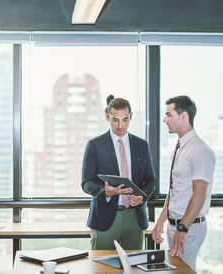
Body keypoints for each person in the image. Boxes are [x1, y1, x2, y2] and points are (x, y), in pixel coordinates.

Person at [82, 95, 156, 250]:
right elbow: (86, 182)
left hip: (135, 218)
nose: (120, 125)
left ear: (131, 117)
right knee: (100, 269)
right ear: (107, 116)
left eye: (125, 119)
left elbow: (151, 181)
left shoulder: (142, 145)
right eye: (115, 119)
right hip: (104, 217)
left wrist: (142, 197)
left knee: (133, 268)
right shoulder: (95, 145)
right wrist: (105, 192)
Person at [152, 95, 215, 270]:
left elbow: (200, 193)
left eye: (168, 115)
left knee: (183, 271)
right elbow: (175, 189)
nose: (165, 120)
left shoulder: (200, 150)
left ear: (183, 116)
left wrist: (183, 229)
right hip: (176, 225)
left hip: (188, 227)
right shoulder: (180, 147)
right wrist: (161, 220)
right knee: (175, 270)